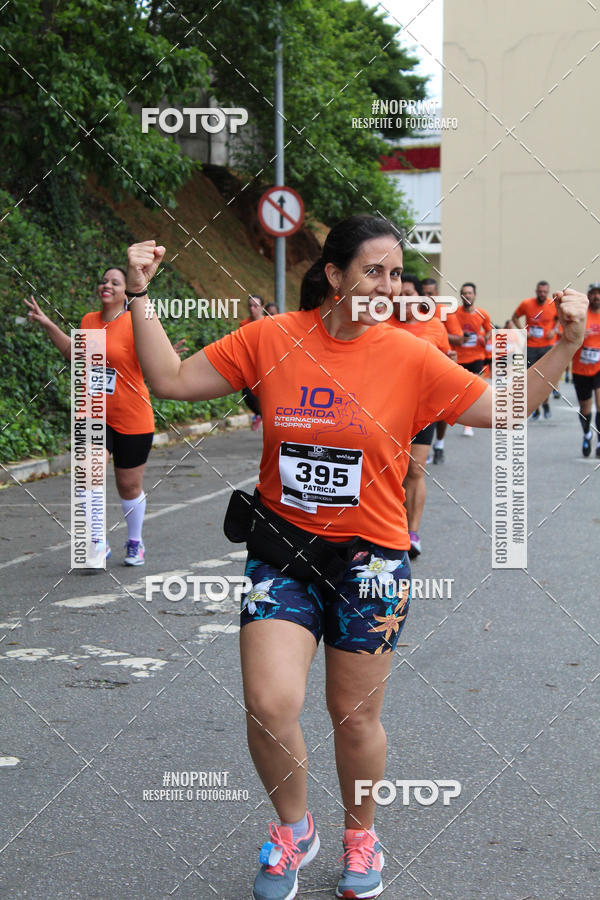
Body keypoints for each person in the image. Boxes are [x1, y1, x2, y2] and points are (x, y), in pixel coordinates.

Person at [124, 217, 587, 900]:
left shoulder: (409, 355)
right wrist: (139, 294)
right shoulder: (271, 339)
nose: (388, 286)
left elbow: (507, 407)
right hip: (284, 552)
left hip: (371, 564)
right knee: (268, 703)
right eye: (374, 271)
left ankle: (360, 835)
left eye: (396, 274)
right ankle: (294, 830)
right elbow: (167, 378)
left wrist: (568, 344)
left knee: (355, 715)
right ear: (334, 275)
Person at [25, 268, 186, 567]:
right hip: (93, 413)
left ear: (126, 292)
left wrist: (168, 357)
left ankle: (135, 541)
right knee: (89, 473)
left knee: (129, 486)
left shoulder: (136, 323)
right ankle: (97, 541)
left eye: (115, 282)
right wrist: (48, 323)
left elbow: (158, 362)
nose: (107, 285)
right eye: (103, 281)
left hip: (133, 416)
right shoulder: (88, 321)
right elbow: (74, 353)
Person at [388, 278, 456, 559]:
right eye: (400, 294)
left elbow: (447, 360)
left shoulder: (435, 326)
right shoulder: (379, 324)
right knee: (387, 472)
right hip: (387, 409)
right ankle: (388, 528)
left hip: (423, 409)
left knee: (415, 470)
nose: (404, 299)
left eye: (409, 294)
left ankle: (412, 533)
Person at [422, 277, 465, 464]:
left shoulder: (444, 312)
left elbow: (459, 338)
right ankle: (420, 449)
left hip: (443, 368)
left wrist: (438, 333)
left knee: (441, 412)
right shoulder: (411, 312)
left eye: (430, 293)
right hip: (420, 372)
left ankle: (439, 444)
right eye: (423, 293)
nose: (426, 297)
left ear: (436, 294)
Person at [510, 280, 559, 420]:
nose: (542, 294)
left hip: (547, 346)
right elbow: (514, 317)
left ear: (548, 292)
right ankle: (536, 408)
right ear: (536, 291)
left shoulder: (552, 304)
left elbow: (560, 318)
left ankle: (546, 403)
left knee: (546, 378)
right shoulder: (527, 304)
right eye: (540, 291)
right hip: (531, 346)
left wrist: (554, 330)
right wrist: (522, 330)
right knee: (532, 378)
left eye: (545, 292)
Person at [455, 283, 492, 436]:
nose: (467, 296)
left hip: (477, 356)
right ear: (461, 296)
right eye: (464, 293)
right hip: (459, 357)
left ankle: (468, 425)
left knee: (473, 389)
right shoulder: (454, 313)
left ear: (474, 295)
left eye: (470, 293)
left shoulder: (482, 314)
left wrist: (485, 338)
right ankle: (461, 416)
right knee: (461, 390)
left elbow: (489, 330)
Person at [572, 282, 600, 457]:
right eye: (593, 293)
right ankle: (587, 434)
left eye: (599, 293)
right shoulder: (580, 315)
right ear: (588, 296)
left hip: (599, 368)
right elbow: (566, 336)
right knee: (585, 409)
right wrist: (580, 335)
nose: (597, 296)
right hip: (580, 370)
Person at [239, 295, 265, 430]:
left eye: (255, 306)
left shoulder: (269, 323)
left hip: (267, 366)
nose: (252, 309)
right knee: (247, 394)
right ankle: (260, 414)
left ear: (262, 308)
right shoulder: (244, 324)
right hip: (250, 366)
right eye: (250, 306)